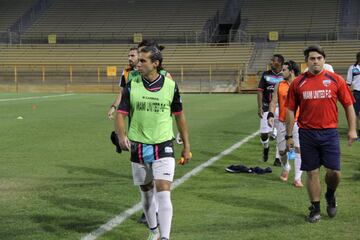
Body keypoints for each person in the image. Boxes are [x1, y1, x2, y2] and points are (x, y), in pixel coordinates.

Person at [116, 45, 191, 240]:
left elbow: (179, 116)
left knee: (164, 192)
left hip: (163, 145)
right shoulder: (132, 85)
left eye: (143, 61)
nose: (138, 64)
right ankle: (153, 231)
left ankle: (165, 237)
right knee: (147, 194)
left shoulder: (170, 86)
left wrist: (186, 146)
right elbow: (121, 114)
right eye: (138, 60)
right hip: (138, 146)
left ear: (155, 64)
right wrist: (122, 135)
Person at [286, 45, 357, 223]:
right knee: (312, 173)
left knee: (334, 172)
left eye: (318, 58)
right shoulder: (298, 83)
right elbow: (290, 110)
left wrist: (352, 129)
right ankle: (315, 208)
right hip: (307, 133)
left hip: (329, 133)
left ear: (324, 60)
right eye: (312, 58)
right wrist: (289, 136)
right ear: (306, 61)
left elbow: (348, 105)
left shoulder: (335, 80)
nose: (315, 61)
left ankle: (330, 195)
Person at [268, 60, 303, 187]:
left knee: (299, 149)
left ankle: (298, 178)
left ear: (291, 71)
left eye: (284, 70)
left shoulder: (301, 84)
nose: (282, 72)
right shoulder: (279, 85)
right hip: (282, 122)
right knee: (282, 151)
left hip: (299, 123)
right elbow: (273, 102)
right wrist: (271, 115)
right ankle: (286, 167)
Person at [257, 54, 284, 166]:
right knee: (264, 133)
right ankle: (266, 147)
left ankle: (277, 158)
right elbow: (260, 91)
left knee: (280, 135)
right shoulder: (266, 74)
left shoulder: (285, 75)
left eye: (274, 61)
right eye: (271, 60)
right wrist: (259, 107)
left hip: (282, 108)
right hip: (267, 106)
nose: (271, 62)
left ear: (280, 63)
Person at [108, 47, 139, 119]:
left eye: (132, 56)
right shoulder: (126, 72)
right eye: (129, 56)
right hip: (132, 112)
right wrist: (114, 107)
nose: (129, 58)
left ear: (139, 56)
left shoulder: (148, 70)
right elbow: (122, 92)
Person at [346, 52, 360, 140]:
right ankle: (357, 132)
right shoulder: (353, 68)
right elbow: (348, 83)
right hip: (357, 93)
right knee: (357, 114)